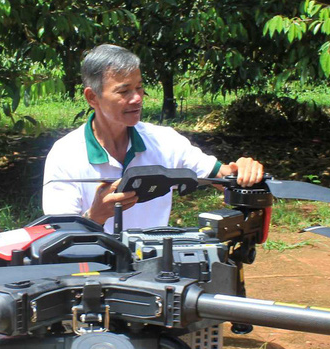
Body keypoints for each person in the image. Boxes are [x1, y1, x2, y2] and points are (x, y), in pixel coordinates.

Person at [42, 44, 264, 232]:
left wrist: (241, 173)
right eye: (124, 91)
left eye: (139, 87)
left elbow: (219, 177)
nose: (137, 98)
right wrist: (95, 216)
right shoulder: (66, 155)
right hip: (93, 274)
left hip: (155, 273)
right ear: (92, 97)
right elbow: (60, 237)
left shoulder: (164, 141)